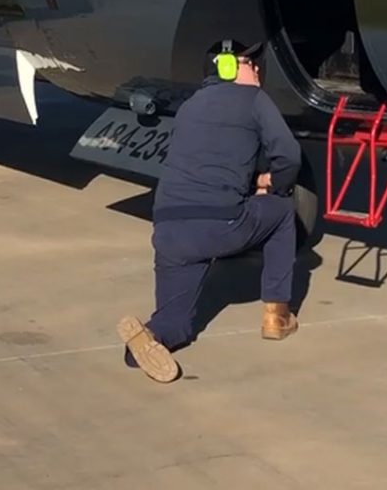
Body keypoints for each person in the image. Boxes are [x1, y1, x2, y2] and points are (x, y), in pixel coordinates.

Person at [117, 39, 302, 383]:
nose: (257, 68)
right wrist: (276, 185)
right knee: (281, 212)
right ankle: (277, 314)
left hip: (169, 231)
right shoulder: (254, 100)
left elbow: (211, 163)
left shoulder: (190, 106)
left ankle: (150, 340)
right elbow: (288, 155)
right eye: (249, 63)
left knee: (177, 324)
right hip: (219, 225)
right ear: (228, 68)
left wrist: (249, 180)